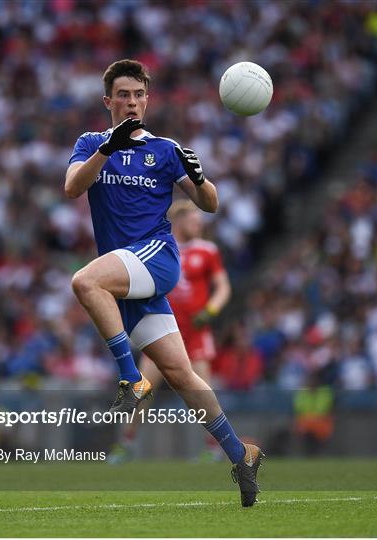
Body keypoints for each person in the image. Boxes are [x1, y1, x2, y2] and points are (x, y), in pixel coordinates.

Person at [65, 59, 263, 507]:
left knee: (84, 282)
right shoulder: (92, 143)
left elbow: (209, 204)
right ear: (108, 101)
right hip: (124, 276)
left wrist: (198, 175)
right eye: (123, 95)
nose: (131, 101)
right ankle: (241, 455)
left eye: (138, 94)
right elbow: (73, 188)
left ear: (147, 99)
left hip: (155, 259)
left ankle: (131, 379)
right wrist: (106, 151)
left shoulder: (166, 149)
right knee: (181, 374)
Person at [108, 200, 232, 463]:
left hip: (196, 332)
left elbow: (223, 287)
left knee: (201, 390)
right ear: (180, 220)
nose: (199, 225)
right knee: (142, 388)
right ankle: (126, 443)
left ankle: (214, 446)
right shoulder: (161, 247)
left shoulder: (207, 250)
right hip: (162, 330)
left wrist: (210, 310)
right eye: (195, 220)